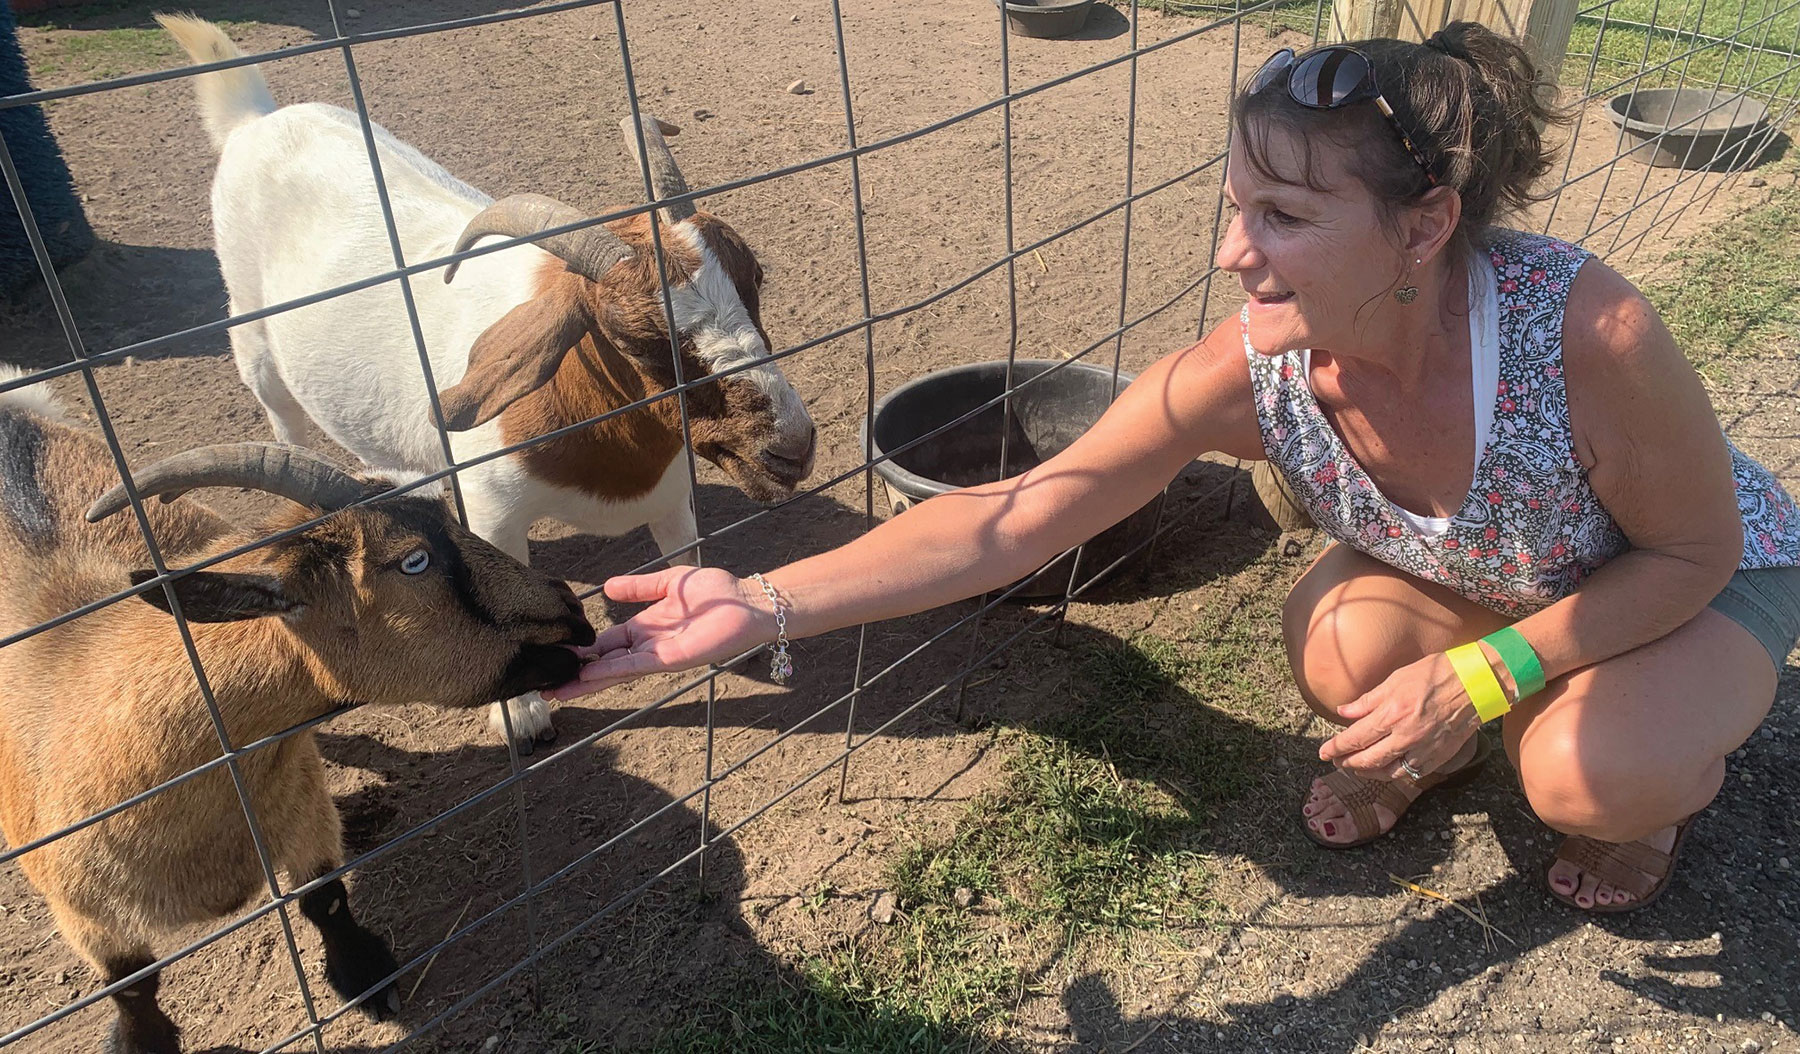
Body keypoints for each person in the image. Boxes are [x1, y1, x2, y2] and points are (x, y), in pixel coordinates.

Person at [545, 22, 1800, 914]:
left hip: (1691, 570)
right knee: (1340, 654)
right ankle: (1471, 731)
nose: (1231, 255)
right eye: (1237, 203)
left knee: (1592, 774)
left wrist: (1491, 667)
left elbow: (1692, 551)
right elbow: (1011, 523)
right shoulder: (1249, 365)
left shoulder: (1584, 332)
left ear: (1424, 228)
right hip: (1504, 567)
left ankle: (1645, 810)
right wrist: (767, 600)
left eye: (1286, 220)